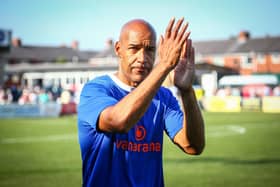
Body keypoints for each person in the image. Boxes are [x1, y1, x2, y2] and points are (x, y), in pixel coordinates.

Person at [77, 17, 205, 187]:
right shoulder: (96, 90)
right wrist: (165, 65)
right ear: (118, 49)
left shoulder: (163, 96)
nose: (142, 57)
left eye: (150, 50)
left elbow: (193, 146)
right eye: (134, 48)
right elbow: (118, 121)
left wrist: (187, 91)